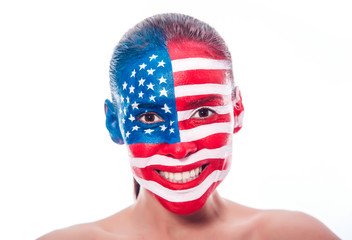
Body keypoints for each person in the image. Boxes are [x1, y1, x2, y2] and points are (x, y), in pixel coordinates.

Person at [38, 13, 339, 240]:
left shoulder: (297, 235)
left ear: (236, 110)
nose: (180, 147)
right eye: (150, 118)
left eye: (203, 112)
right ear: (114, 123)